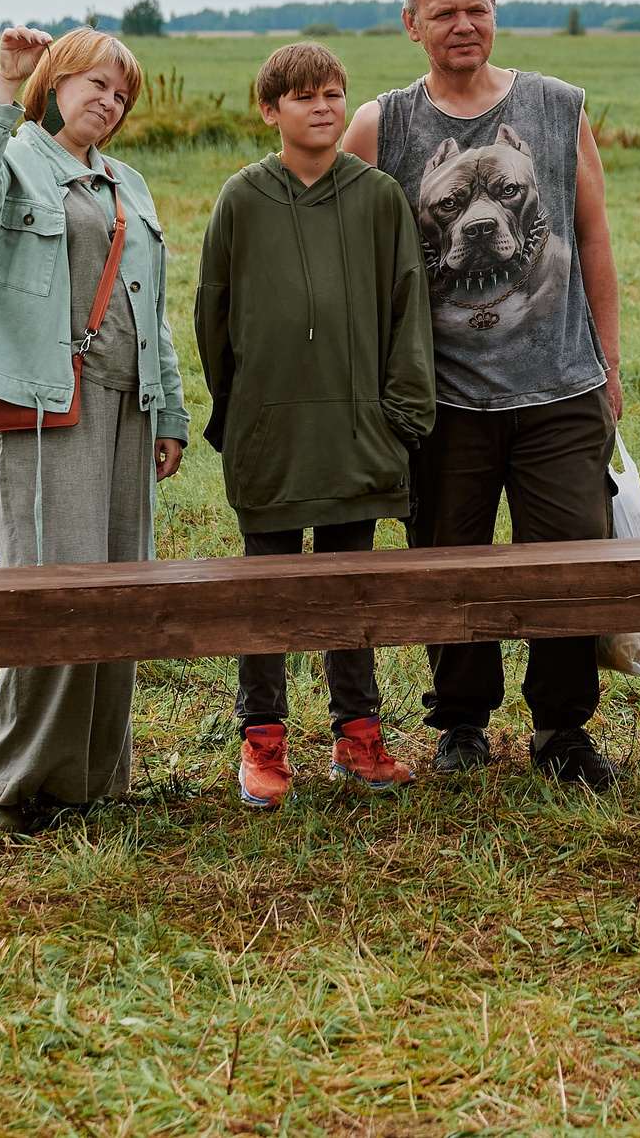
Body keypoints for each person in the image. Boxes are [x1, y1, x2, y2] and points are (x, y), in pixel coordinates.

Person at [340, 0, 626, 791]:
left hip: (559, 384)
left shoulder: (556, 106)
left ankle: (563, 729)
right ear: (411, 25)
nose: (463, 26)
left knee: (570, 560)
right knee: (447, 560)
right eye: (443, 13)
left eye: (477, 10)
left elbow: (593, 233)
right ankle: (460, 722)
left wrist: (608, 360)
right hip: (443, 395)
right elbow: (337, 234)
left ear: (495, 13)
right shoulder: (383, 125)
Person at [0, 25, 190, 834]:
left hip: (128, 407)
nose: (109, 102)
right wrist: (5, 86)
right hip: (45, 404)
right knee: (53, 593)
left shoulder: (127, 183)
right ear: (58, 81)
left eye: (122, 94)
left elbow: (153, 309)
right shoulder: (14, 159)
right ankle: (11, 783)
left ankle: (89, 779)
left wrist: (170, 410)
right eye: (95, 84)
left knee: (118, 597)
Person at [193, 43, 435, 810]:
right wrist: (241, 413)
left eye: (333, 93)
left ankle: (358, 738)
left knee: (347, 590)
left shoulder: (378, 197)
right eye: (303, 96)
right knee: (266, 593)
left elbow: (408, 308)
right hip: (270, 437)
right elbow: (213, 312)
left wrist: (401, 419)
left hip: (358, 434)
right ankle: (262, 743)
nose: (323, 107)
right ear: (270, 110)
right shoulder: (242, 198)